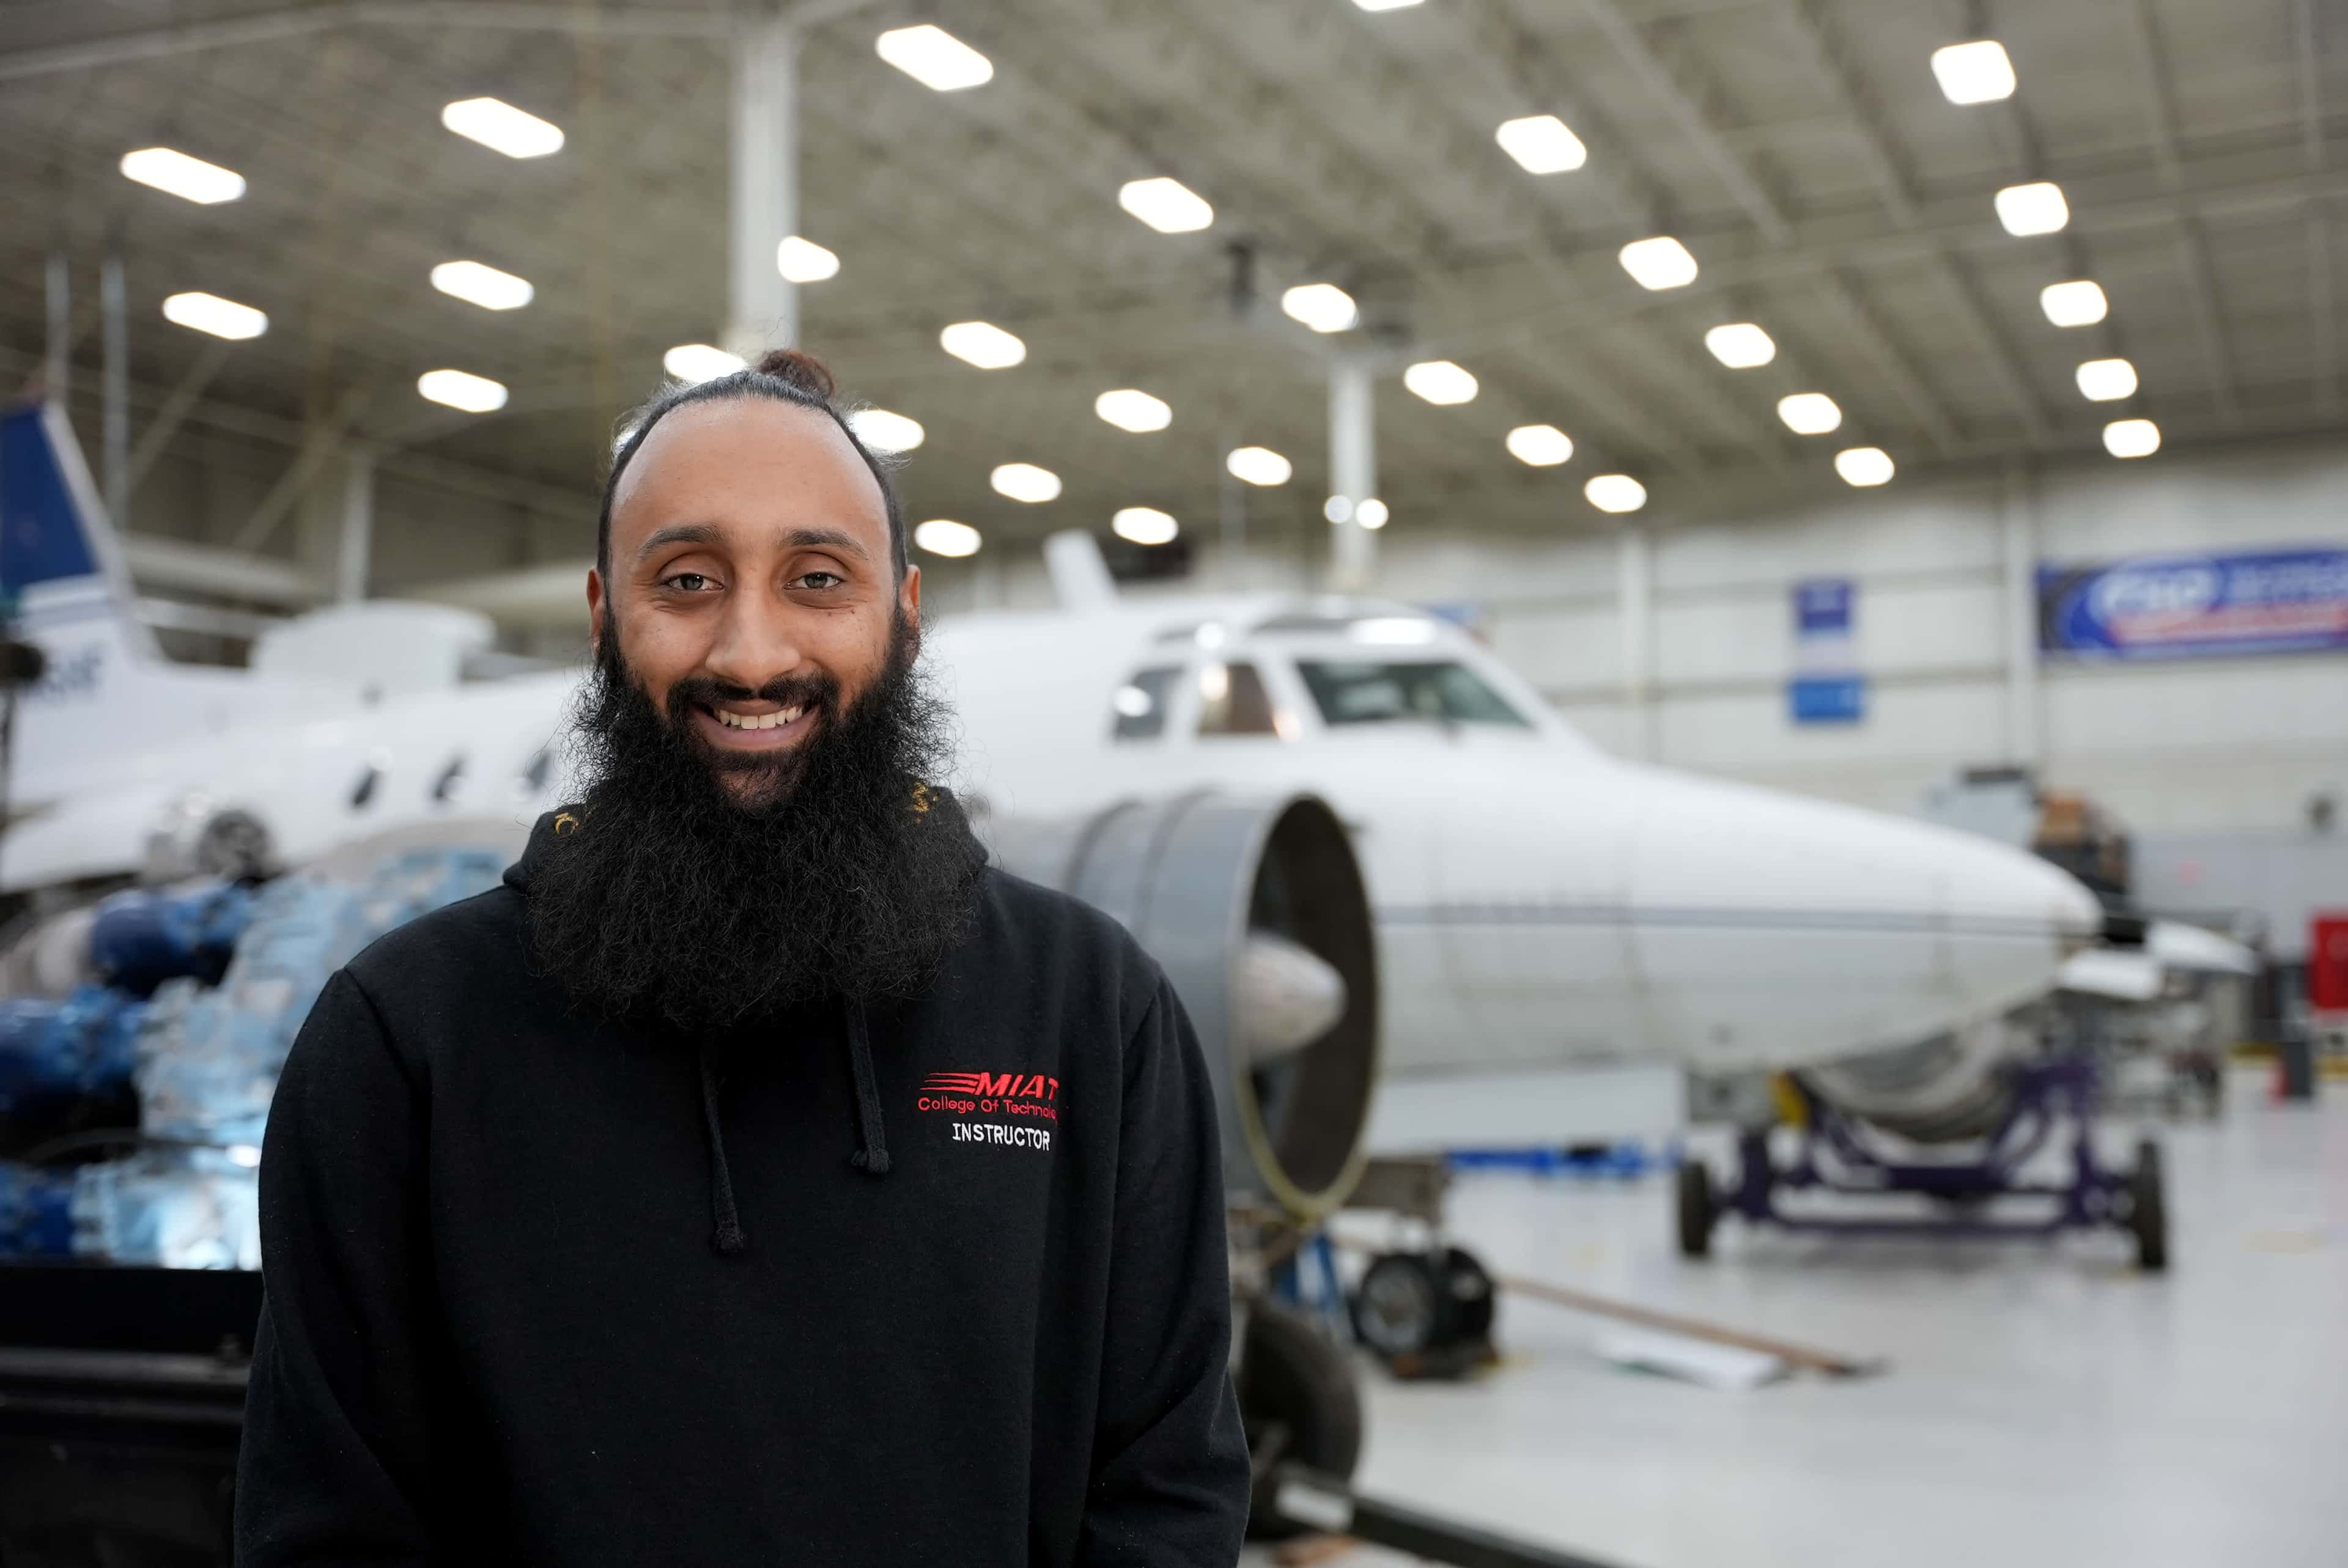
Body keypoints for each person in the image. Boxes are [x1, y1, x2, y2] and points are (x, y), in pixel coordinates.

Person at [234, 348, 1252, 1565]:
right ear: (608, 617)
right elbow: (331, 1529)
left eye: (818, 577)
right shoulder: (405, 1038)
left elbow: (1167, 1489)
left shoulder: (1091, 1008)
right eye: (688, 579)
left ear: (907, 617)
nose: (753, 651)